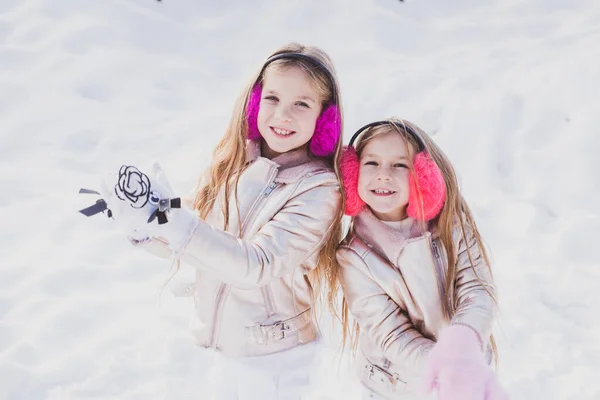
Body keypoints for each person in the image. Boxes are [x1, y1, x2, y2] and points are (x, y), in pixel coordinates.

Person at [100, 43, 345, 399]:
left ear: (326, 120)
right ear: (255, 101)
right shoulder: (238, 164)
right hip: (220, 353)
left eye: (301, 104)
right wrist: (145, 224)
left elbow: (255, 265)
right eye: (272, 98)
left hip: (278, 365)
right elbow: (201, 245)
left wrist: (176, 223)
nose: (282, 115)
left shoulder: (320, 190)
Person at [336, 119, 508, 400]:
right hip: (394, 387)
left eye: (399, 165)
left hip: (466, 374)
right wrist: (445, 363)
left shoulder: (451, 224)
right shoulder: (353, 257)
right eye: (372, 163)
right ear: (351, 171)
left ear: (422, 173)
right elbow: (392, 335)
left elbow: (478, 290)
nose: (383, 175)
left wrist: (464, 344)